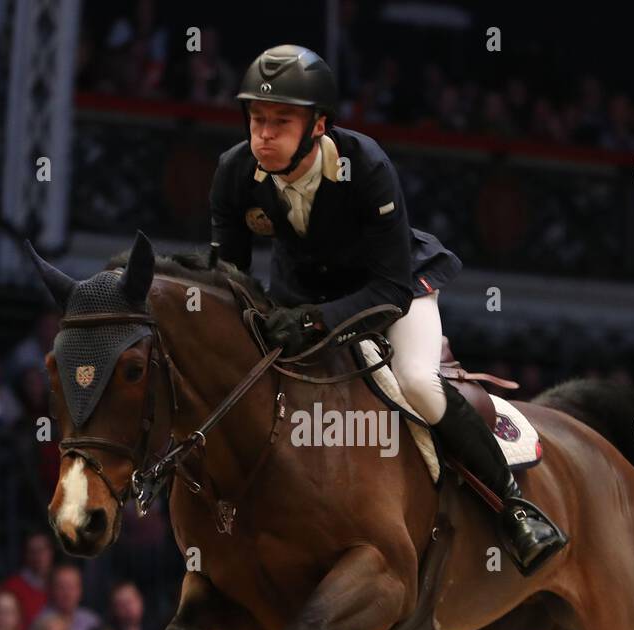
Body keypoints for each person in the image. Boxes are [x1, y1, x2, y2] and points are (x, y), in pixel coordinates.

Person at [209, 44, 565, 574]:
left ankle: (512, 505)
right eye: (256, 119)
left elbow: (389, 289)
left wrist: (314, 321)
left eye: (280, 122)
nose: (263, 134)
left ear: (318, 125)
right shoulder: (235, 171)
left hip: (394, 289)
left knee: (417, 382)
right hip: (301, 290)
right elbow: (228, 277)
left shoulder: (366, 165)